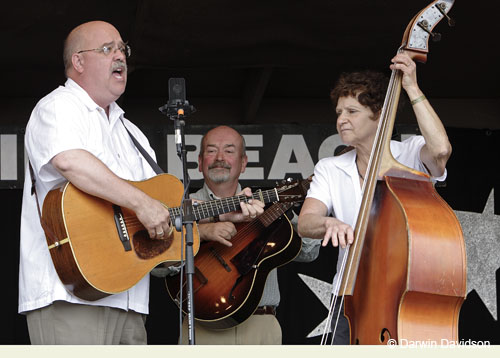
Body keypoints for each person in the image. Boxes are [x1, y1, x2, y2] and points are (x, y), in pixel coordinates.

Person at [18, 21, 263, 345]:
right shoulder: (58, 107)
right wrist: (141, 203)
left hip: (130, 298)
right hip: (71, 292)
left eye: (123, 49)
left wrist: (215, 212)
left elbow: (163, 210)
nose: (120, 56)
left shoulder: (131, 133)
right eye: (108, 49)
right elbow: (70, 161)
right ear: (78, 61)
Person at [297, 52, 452, 344]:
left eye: (351, 112)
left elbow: (441, 151)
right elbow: (306, 223)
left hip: (406, 294)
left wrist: (412, 88)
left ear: (379, 113)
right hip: (349, 298)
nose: (341, 120)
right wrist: (328, 223)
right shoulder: (331, 167)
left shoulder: (410, 153)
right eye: (339, 112)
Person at [178, 125, 320, 344]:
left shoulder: (264, 205)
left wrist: (288, 209)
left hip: (260, 326)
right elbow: (158, 267)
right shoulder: (181, 208)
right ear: (199, 162)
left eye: (229, 150)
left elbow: (309, 252)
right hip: (202, 327)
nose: (219, 158)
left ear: (243, 163)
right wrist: (201, 232)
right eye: (211, 150)